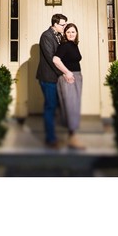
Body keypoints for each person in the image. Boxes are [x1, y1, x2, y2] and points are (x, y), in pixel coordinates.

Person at [36, 12, 69, 148]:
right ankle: (50, 139)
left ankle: (53, 136)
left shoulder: (59, 36)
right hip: (48, 77)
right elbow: (51, 58)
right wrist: (63, 73)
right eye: (63, 24)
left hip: (55, 77)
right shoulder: (46, 36)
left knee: (54, 106)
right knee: (50, 107)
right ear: (55, 24)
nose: (64, 27)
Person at [53, 22, 85, 150]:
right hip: (69, 78)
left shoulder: (73, 45)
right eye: (68, 32)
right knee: (71, 107)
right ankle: (72, 138)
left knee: (74, 106)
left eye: (73, 31)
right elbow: (56, 59)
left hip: (76, 77)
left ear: (76, 33)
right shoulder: (65, 45)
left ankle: (71, 136)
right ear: (65, 34)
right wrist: (67, 72)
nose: (71, 34)